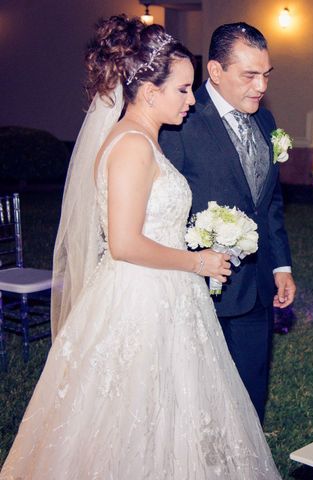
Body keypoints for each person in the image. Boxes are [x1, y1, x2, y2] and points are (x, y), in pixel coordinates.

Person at [0, 16, 281, 479]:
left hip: (168, 294)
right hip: (140, 298)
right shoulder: (131, 145)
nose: (192, 100)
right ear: (150, 93)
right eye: (183, 90)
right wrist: (199, 260)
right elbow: (126, 244)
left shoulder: (146, 141)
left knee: (173, 412)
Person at [160, 22, 296, 423]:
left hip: (256, 283)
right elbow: (165, 206)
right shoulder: (180, 121)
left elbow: (268, 201)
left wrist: (281, 265)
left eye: (266, 75)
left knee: (252, 380)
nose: (260, 87)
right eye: (249, 75)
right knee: (199, 387)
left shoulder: (267, 122)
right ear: (216, 72)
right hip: (198, 284)